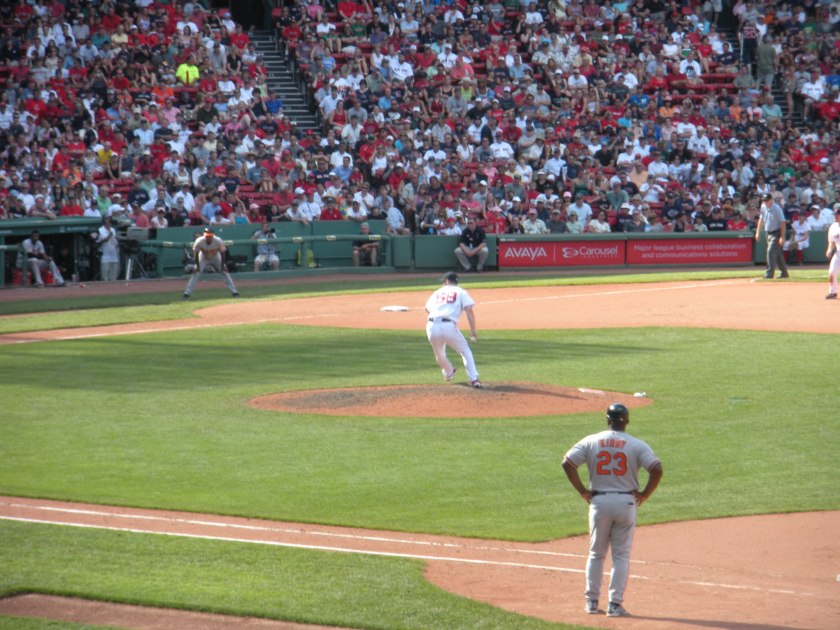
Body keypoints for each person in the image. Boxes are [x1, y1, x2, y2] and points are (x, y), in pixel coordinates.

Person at [562, 403, 663, 618]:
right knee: (621, 556)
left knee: (596, 554)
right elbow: (657, 469)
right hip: (626, 503)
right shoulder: (636, 444)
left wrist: (582, 491)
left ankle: (591, 602)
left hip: (599, 502)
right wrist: (645, 494)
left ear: (607, 420)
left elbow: (567, 463)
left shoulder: (591, 440)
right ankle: (614, 605)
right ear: (627, 420)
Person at [425, 271, 481, 389]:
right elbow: (469, 310)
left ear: (446, 281)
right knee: (465, 351)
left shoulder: (437, 292)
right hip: (448, 326)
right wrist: (473, 331)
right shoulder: (461, 292)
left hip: (431, 326)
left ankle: (448, 371)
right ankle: (474, 379)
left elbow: (427, 309)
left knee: (439, 353)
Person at [183, 227, 240, 299]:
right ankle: (187, 293)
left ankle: (234, 292)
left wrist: (222, 265)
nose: (208, 238)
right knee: (196, 273)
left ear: (213, 236)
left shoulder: (218, 240)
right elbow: (196, 254)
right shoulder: (199, 241)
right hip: (203, 257)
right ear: (204, 236)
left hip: (215, 257)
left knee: (225, 272)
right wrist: (197, 266)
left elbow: (223, 253)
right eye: (207, 236)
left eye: (210, 236)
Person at [755, 193, 789, 279]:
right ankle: (784, 273)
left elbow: (782, 222)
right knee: (777, 254)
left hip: (776, 233)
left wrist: (782, 237)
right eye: (764, 200)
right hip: (768, 233)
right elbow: (761, 219)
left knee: (770, 251)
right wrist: (758, 232)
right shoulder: (763, 206)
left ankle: (769, 273)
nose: (765, 202)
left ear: (771, 200)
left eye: (767, 200)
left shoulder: (776, 208)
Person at [95, 216, 120, 281]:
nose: (109, 221)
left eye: (110, 220)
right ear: (104, 221)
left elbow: (115, 240)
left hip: (114, 255)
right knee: (105, 277)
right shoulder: (100, 230)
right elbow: (96, 242)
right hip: (105, 256)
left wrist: (117, 243)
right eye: (107, 219)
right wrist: (105, 239)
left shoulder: (113, 230)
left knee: (113, 277)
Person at [826, 207, 840, 300]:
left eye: (837, 215)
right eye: (835, 214)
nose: (835, 216)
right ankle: (832, 292)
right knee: (831, 272)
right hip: (838, 254)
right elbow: (831, 242)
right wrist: (829, 249)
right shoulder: (833, 226)